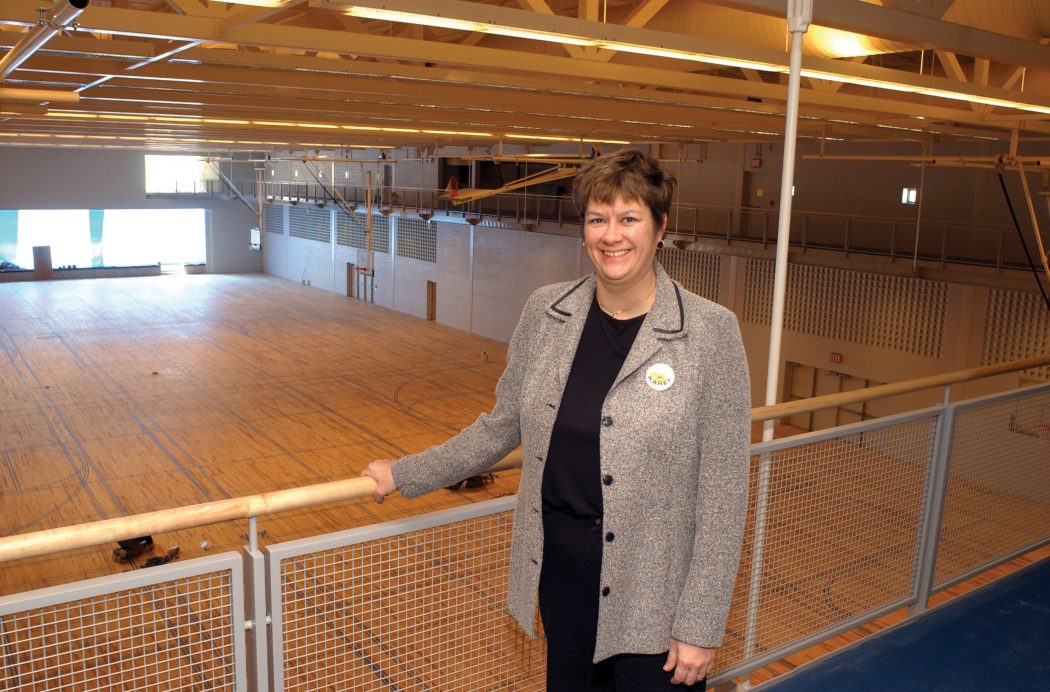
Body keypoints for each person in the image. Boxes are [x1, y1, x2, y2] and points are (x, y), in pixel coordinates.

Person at [361, 149, 751, 690]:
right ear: (583, 229)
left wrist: (701, 624)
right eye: (598, 219)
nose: (612, 235)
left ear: (661, 228)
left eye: (629, 217)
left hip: (655, 588)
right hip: (562, 577)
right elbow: (500, 426)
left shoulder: (709, 333)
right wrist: (404, 473)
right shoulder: (547, 313)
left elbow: (724, 493)